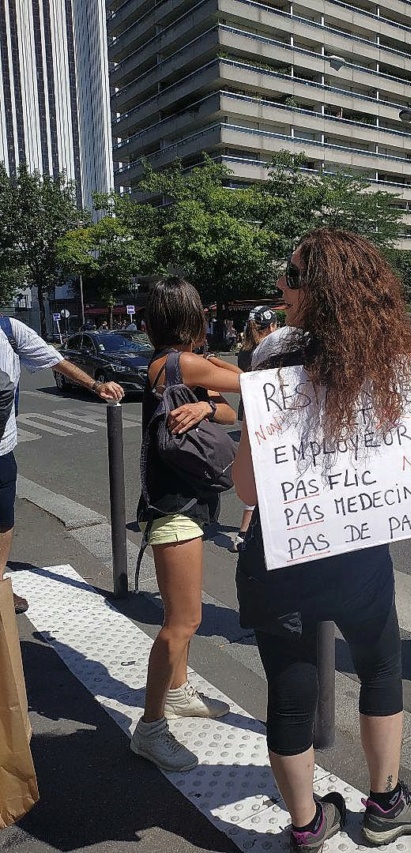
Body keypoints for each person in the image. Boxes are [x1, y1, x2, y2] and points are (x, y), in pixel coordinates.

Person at [233, 229, 411, 851]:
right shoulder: (394, 360)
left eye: (292, 275)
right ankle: (385, 804)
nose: (280, 284)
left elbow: (247, 488)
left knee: (291, 697)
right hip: (356, 554)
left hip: (282, 558)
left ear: (319, 292)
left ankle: (306, 827)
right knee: (381, 668)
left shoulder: (271, 360)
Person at [130, 277, 242, 773]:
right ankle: (150, 728)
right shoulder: (177, 363)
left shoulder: (177, 368)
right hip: (172, 509)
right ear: (191, 318)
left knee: (184, 619)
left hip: (186, 504)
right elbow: (243, 380)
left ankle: (176, 693)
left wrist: (202, 404)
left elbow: (228, 409)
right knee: (182, 623)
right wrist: (214, 378)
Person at [0, 317, 124, 613]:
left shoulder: (8, 329)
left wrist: (95, 385)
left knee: (3, 519)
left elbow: (53, 359)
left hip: (1, 448)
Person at [231, 305, 277, 552]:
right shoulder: (269, 350)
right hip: (266, 416)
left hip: (247, 413)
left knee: (255, 469)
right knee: (264, 472)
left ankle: (248, 530)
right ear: (271, 327)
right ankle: (244, 532)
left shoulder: (245, 350)